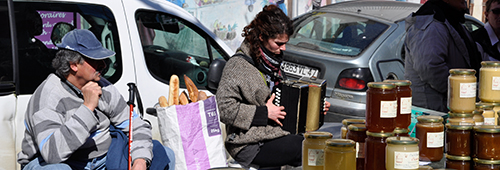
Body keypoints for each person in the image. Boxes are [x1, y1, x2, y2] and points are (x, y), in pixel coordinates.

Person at [17, 29, 174, 170]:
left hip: (103, 159)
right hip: (58, 162)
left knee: (165, 154)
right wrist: (87, 108)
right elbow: (52, 154)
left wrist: (140, 160)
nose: (103, 65)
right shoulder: (48, 96)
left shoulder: (104, 87)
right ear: (73, 65)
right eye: (95, 60)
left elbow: (136, 126)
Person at [216, 5, 330, 169]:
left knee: (319, 143)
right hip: (248, 143)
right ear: (261, 37)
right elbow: (223, 108)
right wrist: (264, 113)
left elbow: (285, 107)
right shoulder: (237, 66)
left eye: (285, 43)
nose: (283, 48)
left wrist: (316, 109)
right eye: (278, 43)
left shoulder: (272, 62)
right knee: (306, 148)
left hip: (274, 134)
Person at [404, 0, 483, 112]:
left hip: (448, 108)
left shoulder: (451, 21)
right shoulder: (433, 25)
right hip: (434, 113)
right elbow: (431, 68)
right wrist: (463, 91)